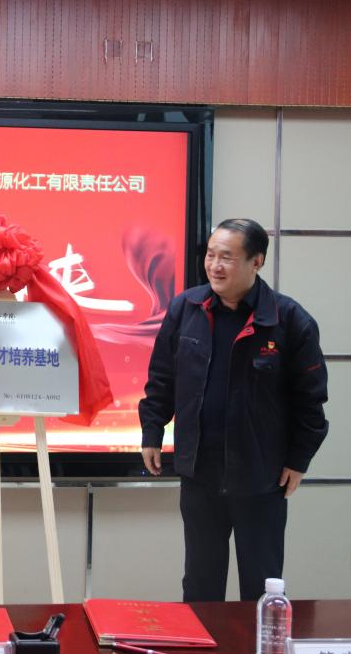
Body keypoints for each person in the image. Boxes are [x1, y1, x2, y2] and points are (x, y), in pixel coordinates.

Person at [138, 218, 328, 602]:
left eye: (226, 257)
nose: (215, 266)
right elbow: (162, 377)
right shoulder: (186, 308)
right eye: (210, 255)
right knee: (200, 583)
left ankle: (258, 645)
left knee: (261, 585)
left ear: (256, 261)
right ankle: (200, 645)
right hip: (200, 473)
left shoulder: (289, 320)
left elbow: (310, 401)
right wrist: (152, 431)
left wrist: (299, 459)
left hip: (260, 476)